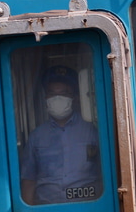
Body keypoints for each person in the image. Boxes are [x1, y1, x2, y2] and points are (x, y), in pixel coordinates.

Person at [20, 65, 101, 204]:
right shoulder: (36, 136)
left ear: (74, 97)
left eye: (64, 93)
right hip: (47, 209)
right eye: (52, 93)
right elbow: (29, 179)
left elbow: (105, 174)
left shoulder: (91, 131)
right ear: (45, 98)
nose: (57, 99)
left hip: (87, 207)